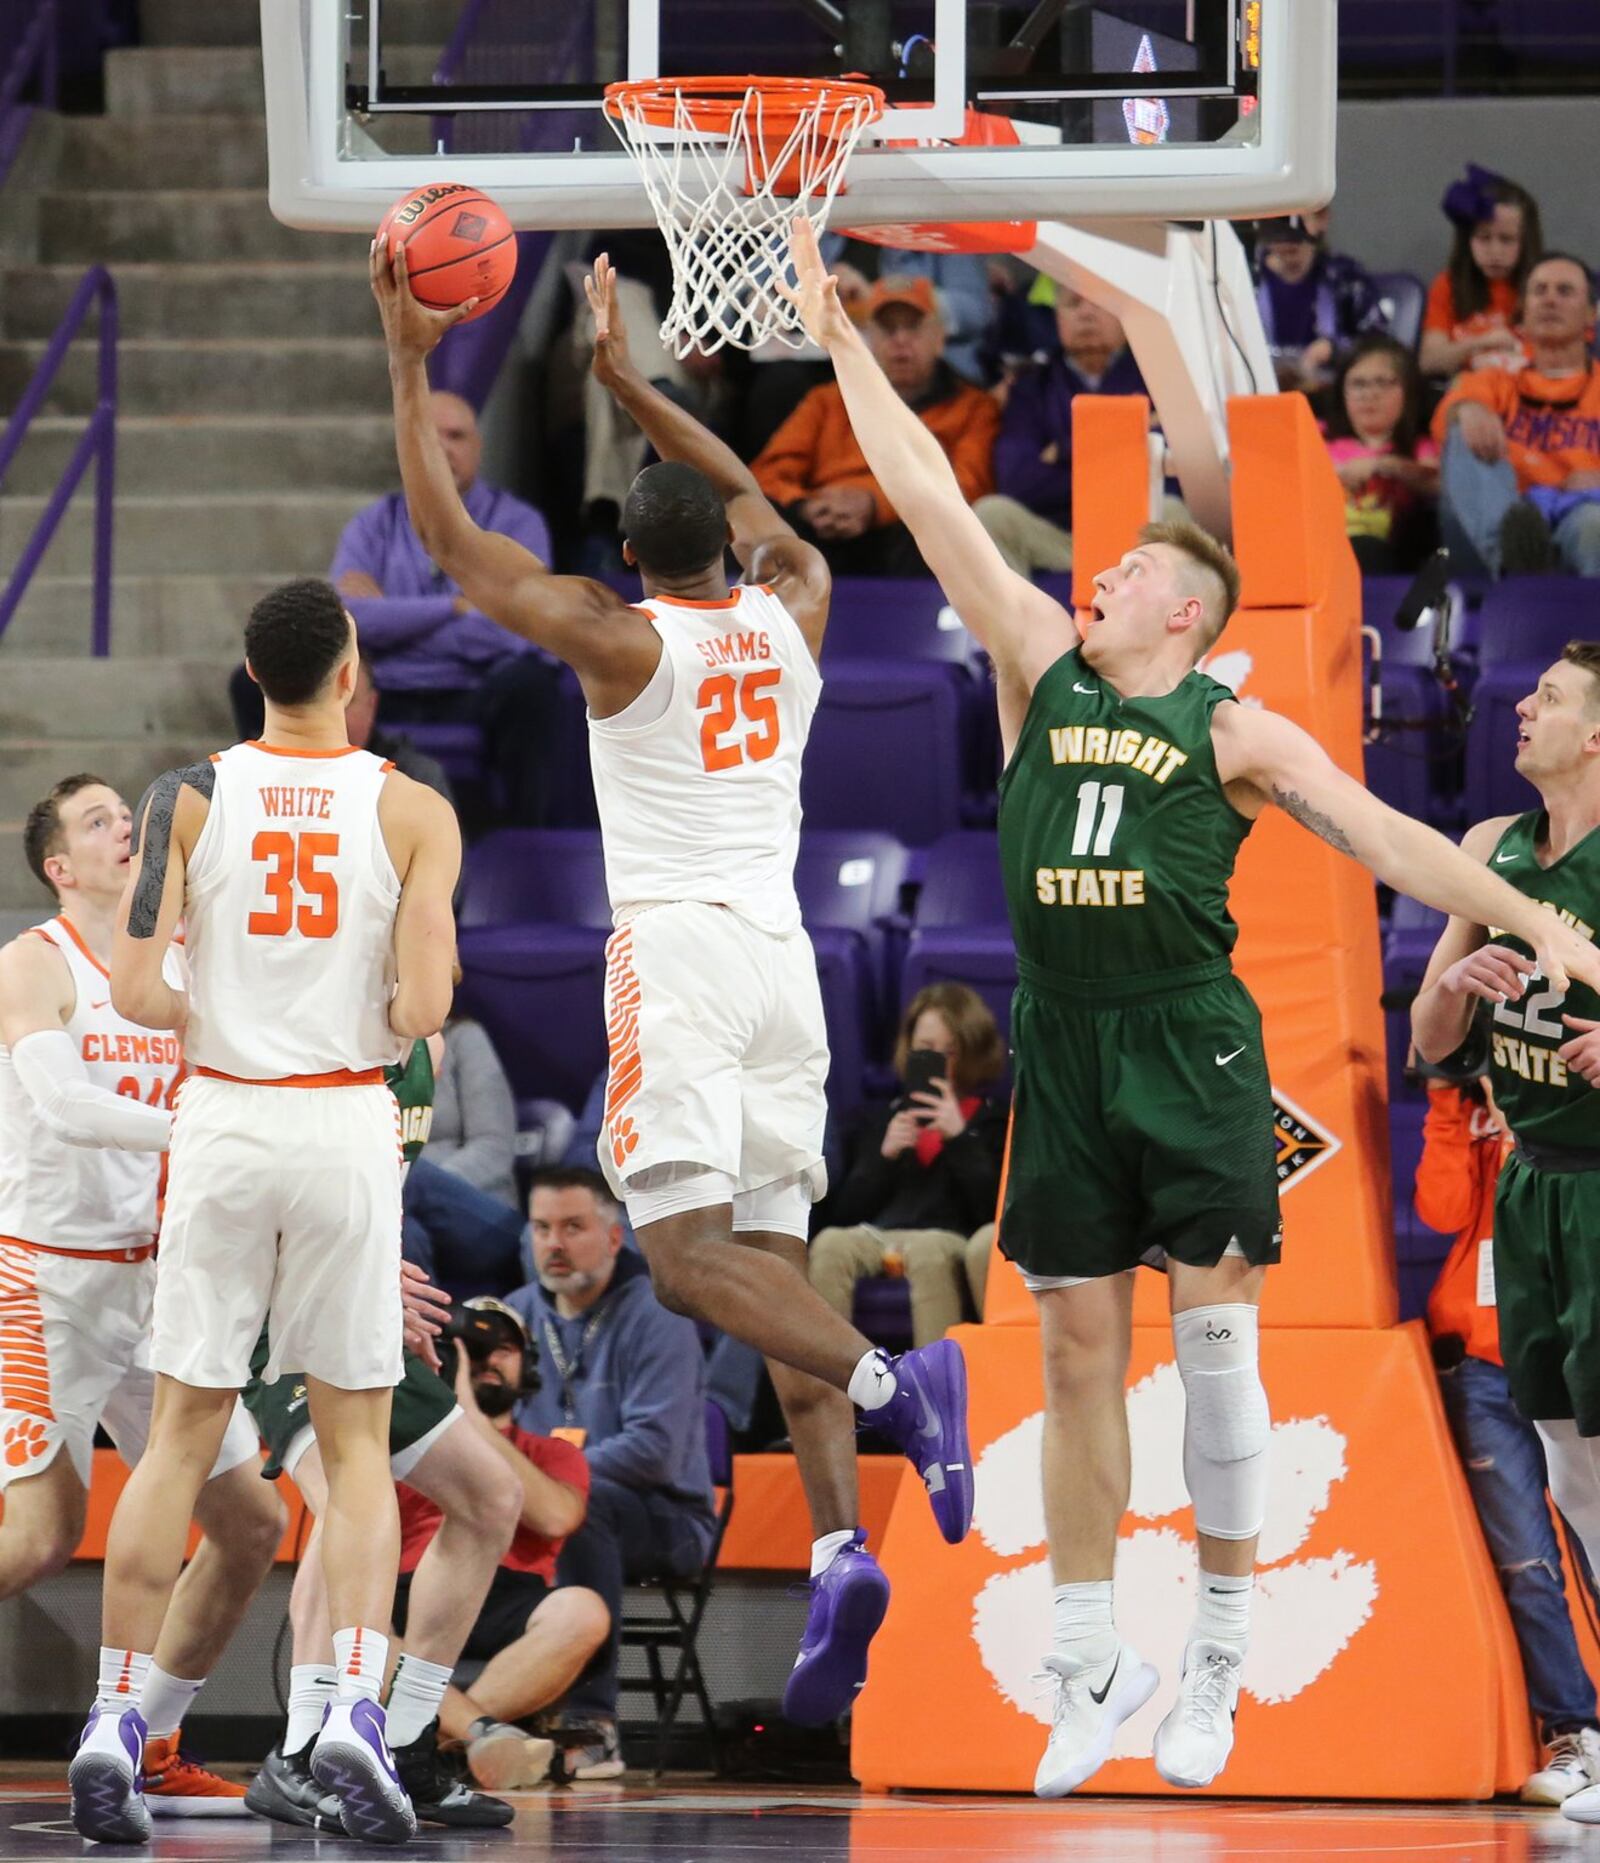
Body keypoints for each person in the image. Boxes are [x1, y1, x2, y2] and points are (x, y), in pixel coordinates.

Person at [785, 211, 1600, 1799]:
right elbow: (933, 497)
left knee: (1215, 1359)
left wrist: (1535, 926)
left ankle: (1220, 1643)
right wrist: (833, 342)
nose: (1100, 572)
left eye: (1135, 568)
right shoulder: (1038, 660)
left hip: (1191, 1035)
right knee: (1078, 1352)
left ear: (1183, 616)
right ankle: (1094, 1659)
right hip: (1068, 1039)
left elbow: (1395, 840)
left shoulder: (1242, 733)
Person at [374, 239, 974, 1743]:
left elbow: (453, 551)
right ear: (735, 543)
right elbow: (746, 492)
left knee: (689, 1258)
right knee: (773, 1271)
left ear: (627, 559)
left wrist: (406, 352)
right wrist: (636, 382)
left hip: (687, 958)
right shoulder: (799, 600)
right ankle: (842, 1542)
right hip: (790, 964)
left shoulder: (618, 642)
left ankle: (908, 1388)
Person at [72, 577, 462, 1846]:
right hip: (345, 1126)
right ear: (348, 672)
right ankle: (352, 1702)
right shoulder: (413, 810)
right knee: (353, 1450)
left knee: (179, 1432)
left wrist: (218, 1014)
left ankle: (115, 1718)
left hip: (228, 1121)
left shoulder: (184, 798)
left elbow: (135, 993)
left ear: (252, 673)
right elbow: (420, 1013)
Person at [0, 776, 282, 1820]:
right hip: (47, 1279)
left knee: (251, 1522)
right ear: (58, 867)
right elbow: (67, 1109)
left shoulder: (171, 963)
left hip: (160, 1279)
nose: (125, 827)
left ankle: (150, 1737)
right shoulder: (32, 963)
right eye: (97, 822)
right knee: (37, 1536)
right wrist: (204, 1135)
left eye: (128, 814)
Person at [1410, 641, 1600, 1831]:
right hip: (1528, 1192)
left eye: (1551, 698)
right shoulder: (1486, 851)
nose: (1519, 707)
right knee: (1574, 1482)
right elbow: (1431, 1040)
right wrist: (1462, 983)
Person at [241, 1042, 525, 1832]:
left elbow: (368, 1192)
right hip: (279, 1304)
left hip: (363, 1299)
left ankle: (405, 1742)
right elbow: (242, 1191)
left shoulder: (425, 1047)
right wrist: (355, 1264)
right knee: (345, 1498)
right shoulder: (309, 1029)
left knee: (490, 1495)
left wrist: (382, 1270)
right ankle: (297, 1751)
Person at [1414, 1038, 1600, 1807]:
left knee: (1593, 1544)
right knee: (1529, 1564)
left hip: (1570, 1352)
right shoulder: (1482, 1127)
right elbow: (1442, 1209)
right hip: (1489, 1370)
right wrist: (1450, 1106)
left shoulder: (1571, 1124)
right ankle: (1574, 1733)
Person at [503, 1168, 714, 1778]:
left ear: (615, 1236)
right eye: (541, 1228)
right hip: (539, 1509)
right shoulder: (512, 1318)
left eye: (574, 1227)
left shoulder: (659, 1314)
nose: (555, 1244)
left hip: (665, 1516)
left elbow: (655, 1450)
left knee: (578, 1512)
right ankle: (486, 1710)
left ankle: (594, 1724)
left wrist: (546, 1483)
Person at [318, 389, 560, 825]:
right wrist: (456, 607)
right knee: (273, 680)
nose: (444, 447)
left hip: (477, 690)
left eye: (456, 435)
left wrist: (394, 619)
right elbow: (349, 623)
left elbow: (517, 630)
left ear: (477, 448)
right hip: (384, 693)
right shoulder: (373, 524)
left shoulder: (518, 523)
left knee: (534, 685)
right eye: (430, 435)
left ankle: (531, 852)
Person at [400, 1298, 609, 1790]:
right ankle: (477, 1738)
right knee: (355, 1614)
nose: (487, 1361)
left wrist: (468, 1418)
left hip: (508, 1598)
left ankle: (422, 1745)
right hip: (411, 1590)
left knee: (583, 1610)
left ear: (528, 1364)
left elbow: (556, 1517)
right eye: (472, 1349)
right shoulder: (403, 1444)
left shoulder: (552, 1452)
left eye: (504, 1349)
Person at [752, 275, 1000, 576]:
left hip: (906, 530)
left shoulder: (975, 407)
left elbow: (967, 486)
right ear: (867, 339)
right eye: (888, 328)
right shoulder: (826, 400)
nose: (900, 340)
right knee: (761, 516)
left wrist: (875, 505)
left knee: (939, 525)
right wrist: (805, 506)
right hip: (824, 526)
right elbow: (769, 473)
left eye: (913, 327)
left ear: (939, 338)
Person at [810, 984, 1007, 1347]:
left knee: (929, 1252)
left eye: (951, 1052)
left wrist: (960, 1139)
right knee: (829, 1243)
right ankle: (830, 1392)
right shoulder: (881, 1118)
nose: (940, 1064)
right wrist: (883, 1157)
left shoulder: (994, 1122)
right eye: (927, 1051)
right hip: (879, 1233)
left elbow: (991, 1213)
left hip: (949, 1236)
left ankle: (933, 1395)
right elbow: (845, 1212)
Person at [1432, 253, 1600, 579]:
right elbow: (1445, 426)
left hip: (1582, 512)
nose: (1550, 299)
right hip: (1503, 515)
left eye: (1564, 291)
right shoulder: (1495, 380)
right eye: (1539, 291)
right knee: (1461, 431)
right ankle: (1514, 560)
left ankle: (1531, 584)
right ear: (1523, 312)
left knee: (1594, 525)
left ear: (1592, 315)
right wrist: (1466, 409)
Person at [974, 288, 1148, 577]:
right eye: (1073, 303)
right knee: (991, 513)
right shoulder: (1031, 387)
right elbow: (1017, 483)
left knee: (1170, 511)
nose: (1086, 313)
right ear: (1057, 318)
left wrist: (1065, 451)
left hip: (1136, 541)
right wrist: (1120, 453)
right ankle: (1017, 622)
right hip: (1059, 539)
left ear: (1123, 316)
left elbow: (1172, 483)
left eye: (1100, 302)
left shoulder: (1156, 379)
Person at [1324, 335, 1440, 574]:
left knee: (1365, 549)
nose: (1369, 394)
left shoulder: (1419, 447)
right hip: (1320, 545)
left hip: (1386, 552)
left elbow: (1436, 483)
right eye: (1358, 384)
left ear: (1408, 391)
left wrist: (1382, 465)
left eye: (1382, 382)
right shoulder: (1318, 435)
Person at [1420, 166, 1542, 382]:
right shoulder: (1449, 284)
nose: (1495, 252)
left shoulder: (1544, 286)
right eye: (1484, 238)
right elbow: (1429, 361)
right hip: (1469, 391)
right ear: (1467, 241)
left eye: (1507, 239)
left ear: (1526, 242)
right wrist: (1483, 343)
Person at [1250, 210, 1386, 394]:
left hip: (1330, 395)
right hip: (1262, 390)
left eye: (1298, 222)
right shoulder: (1248, 278)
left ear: (1321, 219)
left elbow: (1379, 345)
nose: (1287, 237)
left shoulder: (1345, 278)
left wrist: (1334, 349)